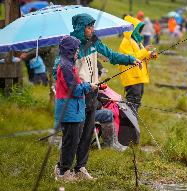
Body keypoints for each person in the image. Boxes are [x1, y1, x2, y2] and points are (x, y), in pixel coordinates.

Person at [53, 13, 141, 179]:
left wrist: (131, 59)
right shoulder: (71, 46)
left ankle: (80, 168)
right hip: (78, 96)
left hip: (93, 93)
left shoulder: (94, 41)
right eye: (89, 26)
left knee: (87, 135)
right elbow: (57, 71)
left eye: (93, 26)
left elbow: (112, 55)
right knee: (75, 136)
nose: (92, 29)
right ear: (81, 27)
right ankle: (63, 169)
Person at [54, 35, 96, 181]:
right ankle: (63, 173)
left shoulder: (68, 65)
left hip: (74, 110)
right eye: (76, 49)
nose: (78, 51)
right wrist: (88, 86)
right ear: (70, 49)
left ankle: (62, 169)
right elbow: (74, 90)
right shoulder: (65, 66)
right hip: (69, 111)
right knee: (70, 143)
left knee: (71, 142)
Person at [118, 15, 157, 114]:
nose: (139, 31)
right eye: (138, 29)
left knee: (137, 100)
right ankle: (128, 123)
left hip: (138, 76)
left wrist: (150, 54)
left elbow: (141, 55)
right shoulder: (126, 42)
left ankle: (132, 122)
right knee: (133, 100)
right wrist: (145, 51)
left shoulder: (136, 41)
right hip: (132, 77)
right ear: (132, 29)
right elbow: (132, 58)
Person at [94, 61, 127, 152]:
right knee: (107, 113)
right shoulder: (86, 83)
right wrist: (100, 105)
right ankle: (109, 144)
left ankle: (114, 142)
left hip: (86, 111)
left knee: (108, 112)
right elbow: (88, 101)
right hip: (83, 113)